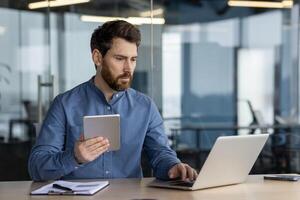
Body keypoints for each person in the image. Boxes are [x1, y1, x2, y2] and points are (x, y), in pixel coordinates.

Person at [28, 20, 197, 181]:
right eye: (120, 58)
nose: (128, 68)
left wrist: (173, 167)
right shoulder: (65, 104)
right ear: (97, 57)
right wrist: (74, 157)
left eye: (133, 59)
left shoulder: (145, 107)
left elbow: (160, 154)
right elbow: (37, 167)